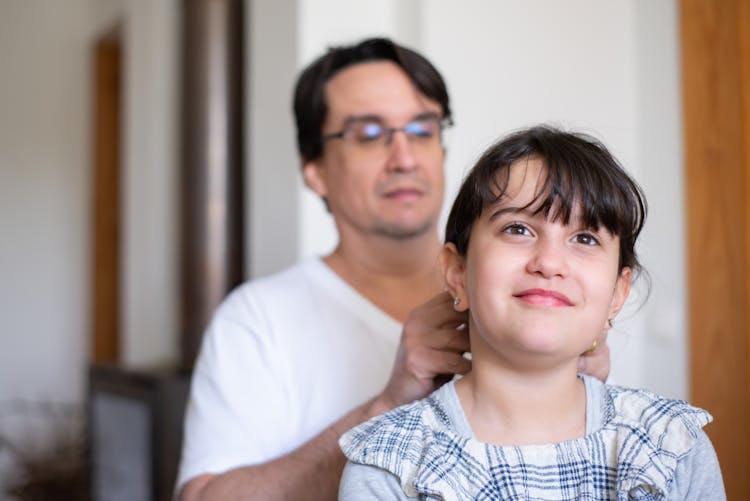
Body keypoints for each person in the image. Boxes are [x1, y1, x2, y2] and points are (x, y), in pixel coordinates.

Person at [176, 39, 610, 501]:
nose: (404, 157)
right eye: (368, 134)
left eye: (422, 129)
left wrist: (582, 391)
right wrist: (387, 407)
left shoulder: (530, 293)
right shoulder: (257, 319)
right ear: (314, 170)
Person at [339, 125, 726, 500]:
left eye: (585, 238)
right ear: (457, 274)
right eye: (518, 229)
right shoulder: (389, 465)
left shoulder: (672, 448)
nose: (549, 262)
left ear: (616, 294)